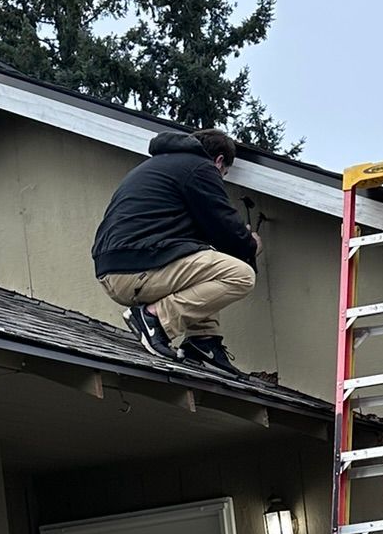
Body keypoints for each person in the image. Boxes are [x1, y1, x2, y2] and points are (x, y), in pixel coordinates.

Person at [92, 126, 259, 376]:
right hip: (137, 267)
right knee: (240, 276)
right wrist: (251, 243)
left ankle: (203, 340)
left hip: (119, 267)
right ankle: (154, 318)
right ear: (220, 160)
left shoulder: (159, 167)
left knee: (206, 261)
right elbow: (224, 224)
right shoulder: (200, 167)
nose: (220, 178)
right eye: (224, 174)